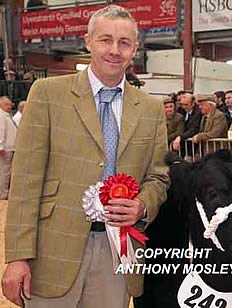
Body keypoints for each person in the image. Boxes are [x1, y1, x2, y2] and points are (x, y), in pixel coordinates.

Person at [2, 5, 169, 308]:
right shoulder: (47, 94)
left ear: (134, 49)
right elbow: (26, 180)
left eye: (124, 42)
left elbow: (158, 176)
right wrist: (17, 257)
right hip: (51, 251)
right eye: (106, 40)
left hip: (117, 252)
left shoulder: (151, 109)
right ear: (88, 41)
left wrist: (142, 204)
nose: (114, 50)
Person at [0, 96, 16, 200]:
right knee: (4, 172)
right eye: (7, 104)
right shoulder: (1, 116)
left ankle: (4, 193)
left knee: (7, 172)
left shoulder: (7, 115)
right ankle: (2, 195)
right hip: (6, 148)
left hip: (10, 147)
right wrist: (0, 146)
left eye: (10, 104)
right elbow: (1, 130)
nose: (9, 106)